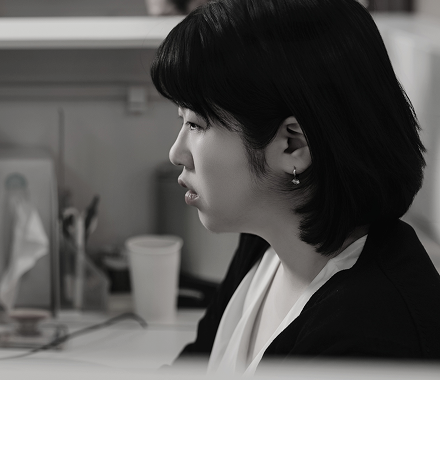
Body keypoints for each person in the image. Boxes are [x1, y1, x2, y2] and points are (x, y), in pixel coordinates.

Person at [153, 0, 440, 375]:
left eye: (196, 124)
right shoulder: (267, 242)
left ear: (294, 145)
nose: (176, 153)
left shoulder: (373, 340)